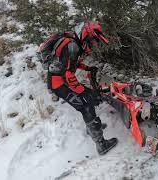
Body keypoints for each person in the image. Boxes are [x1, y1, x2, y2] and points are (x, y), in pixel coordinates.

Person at [45, 22, 118, 155]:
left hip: (61, 81)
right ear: (86, 36)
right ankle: (101, 145)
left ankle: (92, 129)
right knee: (86, 105)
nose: (93, 45)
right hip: (59, 84)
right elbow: (68, 73)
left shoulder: (74, 43)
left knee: (87, 100)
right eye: (93, 42)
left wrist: (87, 68)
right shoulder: (72, 46)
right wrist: (83, 92)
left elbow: (73, 64)